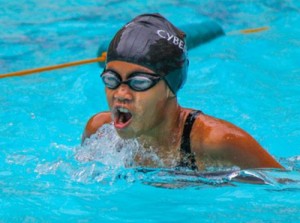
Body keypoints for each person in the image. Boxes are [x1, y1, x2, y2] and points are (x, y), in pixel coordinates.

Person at [82, 13, 283, 170]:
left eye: (139, 83)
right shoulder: (99, 132)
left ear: (170, 86)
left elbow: (286, 186)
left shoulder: (217, 141)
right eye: (111, 80)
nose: (120, 93)